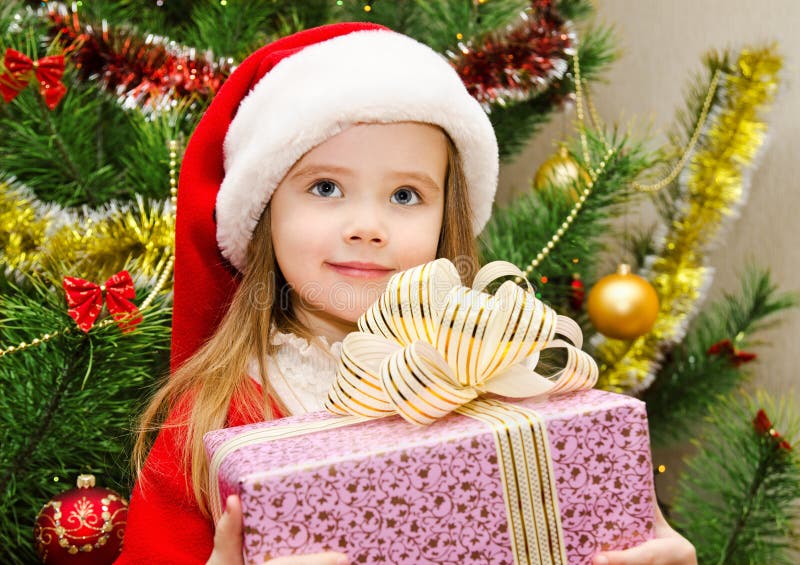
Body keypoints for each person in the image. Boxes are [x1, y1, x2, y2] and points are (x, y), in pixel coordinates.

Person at [117, 22, 696, 565]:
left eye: (404, 196)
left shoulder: (510, 372)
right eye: (325, 187)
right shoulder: (215, 418)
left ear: (447, 219)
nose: (367, 226)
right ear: (263, 214)